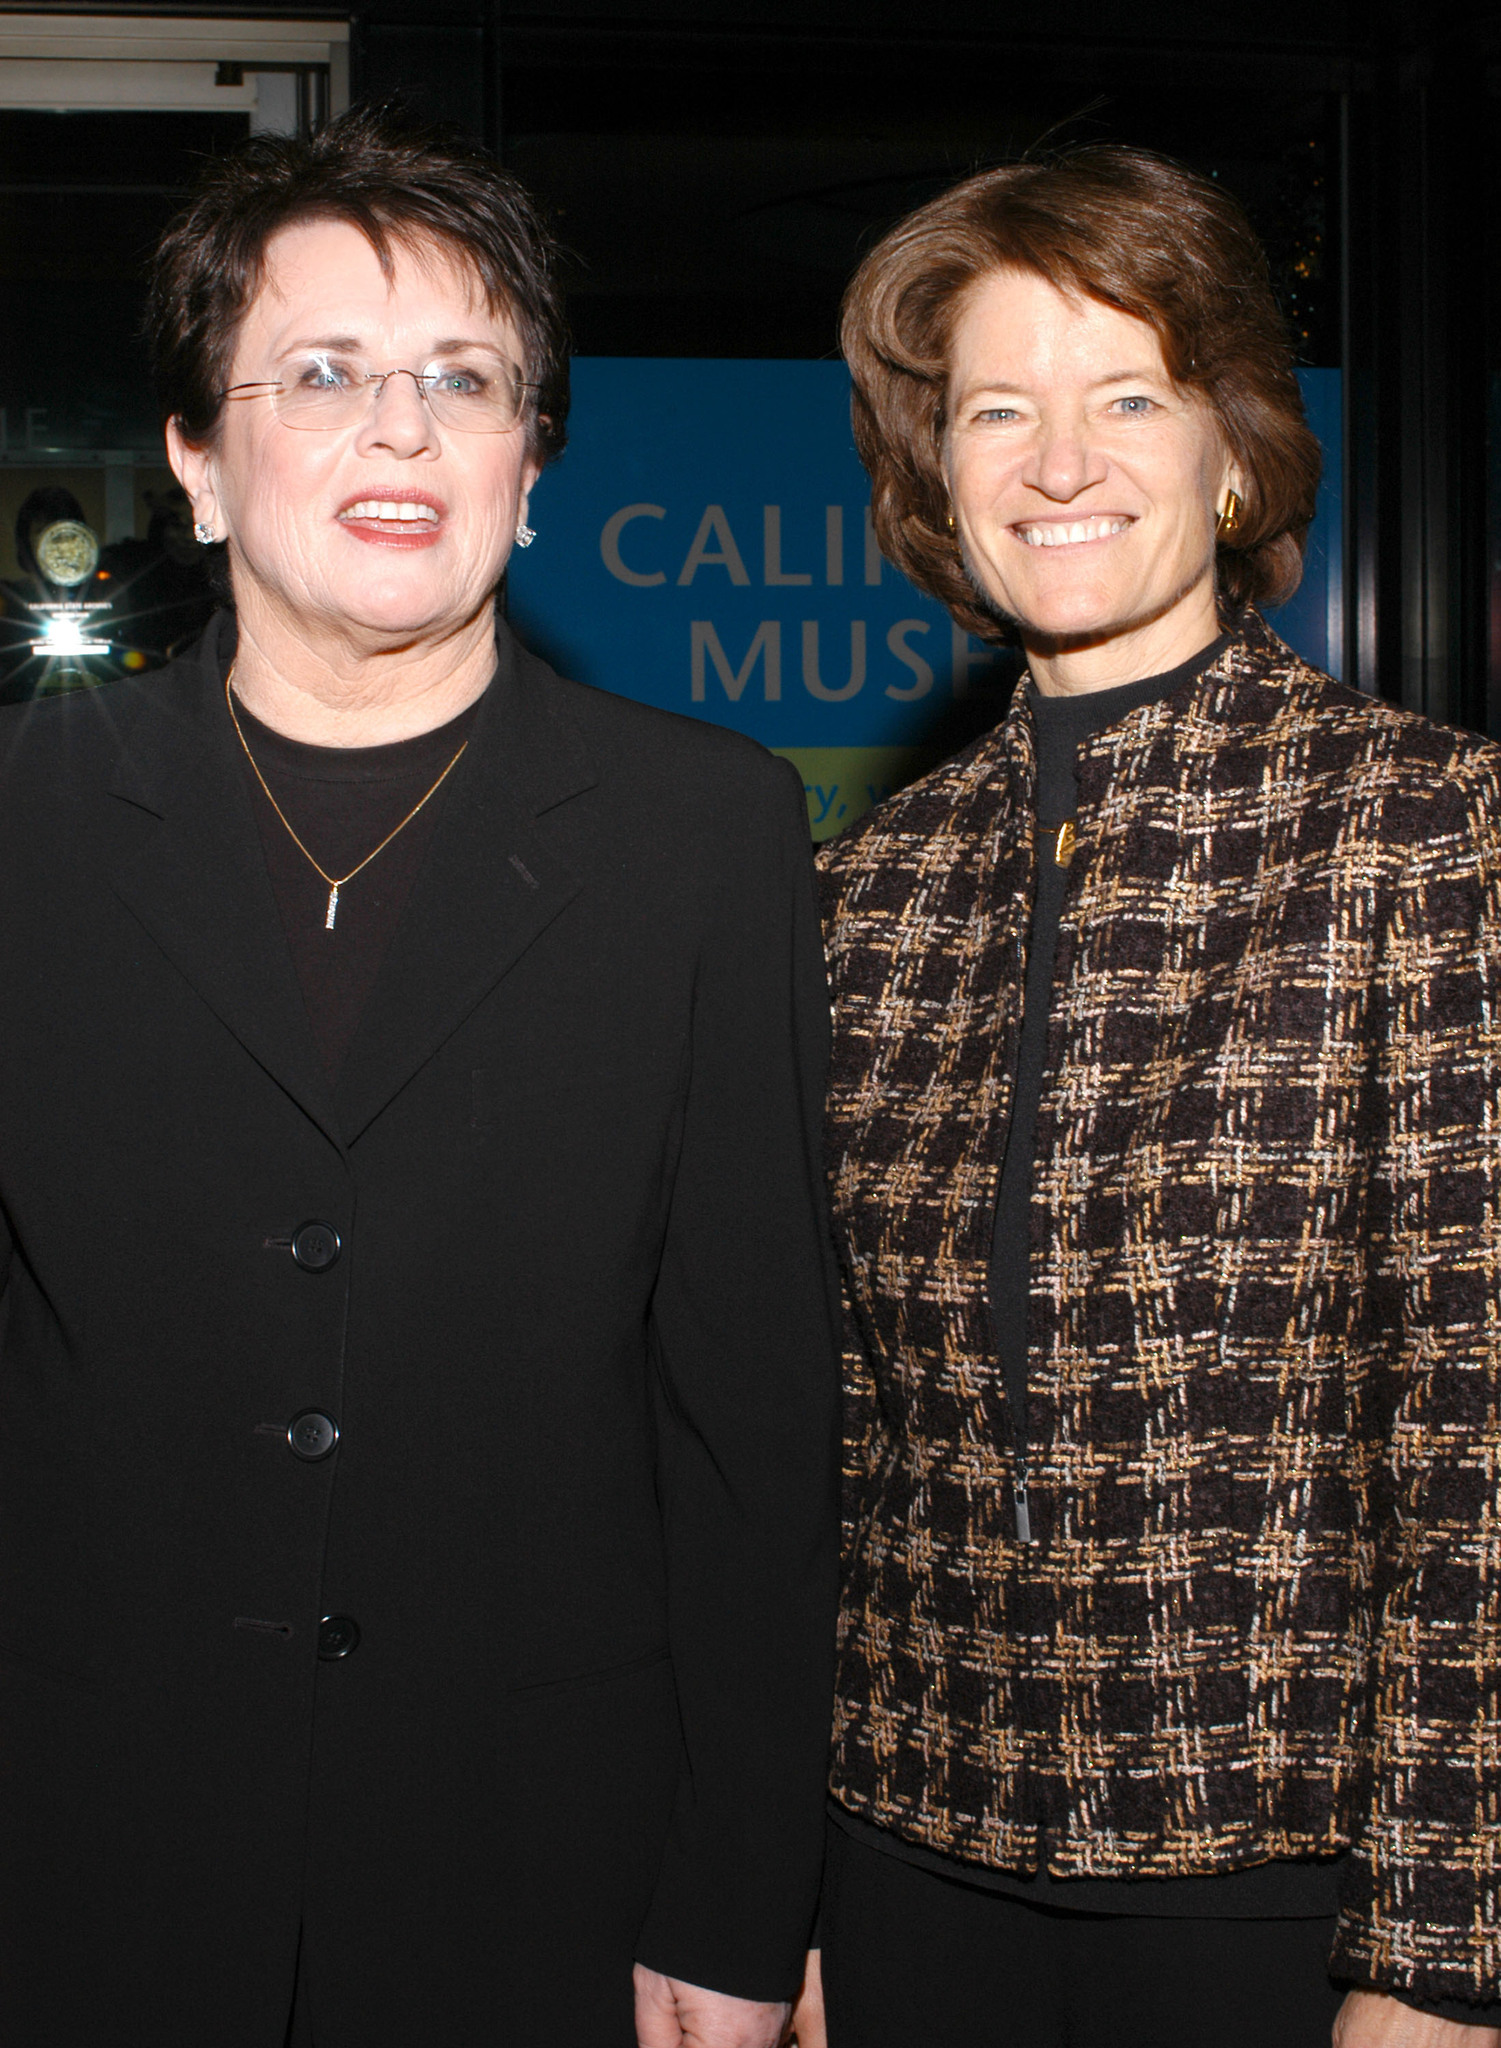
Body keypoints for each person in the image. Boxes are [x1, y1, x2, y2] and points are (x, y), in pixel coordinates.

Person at [0, 106, 839, 2048]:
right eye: (322, 374)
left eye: (464, 380)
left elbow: (754, 1420)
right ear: (195, 465)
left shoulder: (700, 834)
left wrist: (736, 1897)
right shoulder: (26, 822)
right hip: (76, 1850)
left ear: (528, 473)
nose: (399, 428)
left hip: (545, 1869)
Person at [793, 147, 1501, 2048]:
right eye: (996, 412)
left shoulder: (1425, 833)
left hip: (1278, 1881)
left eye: (1126, 399)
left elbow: (1474, 1436)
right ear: (937, 481)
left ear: (1237, 456)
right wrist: (779, 1885)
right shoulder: (861, 893)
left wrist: (1439, 1952)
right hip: (906, 1852)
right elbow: (835, 1437)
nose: (1055, 464)